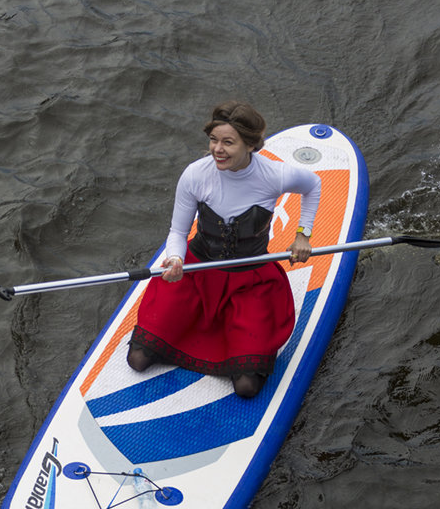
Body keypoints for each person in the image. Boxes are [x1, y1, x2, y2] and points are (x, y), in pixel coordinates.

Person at [127, 101, 322, 398]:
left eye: (228, 142)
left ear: (251, 145)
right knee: (138, 359)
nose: (217, 149)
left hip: (249, 280)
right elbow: (178, 232)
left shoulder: (275, 175)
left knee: (246, 387)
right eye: (214, 140)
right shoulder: (195, 174)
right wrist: (176, 258)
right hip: (196, 272)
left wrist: (303, 235)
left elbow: (314, 185)